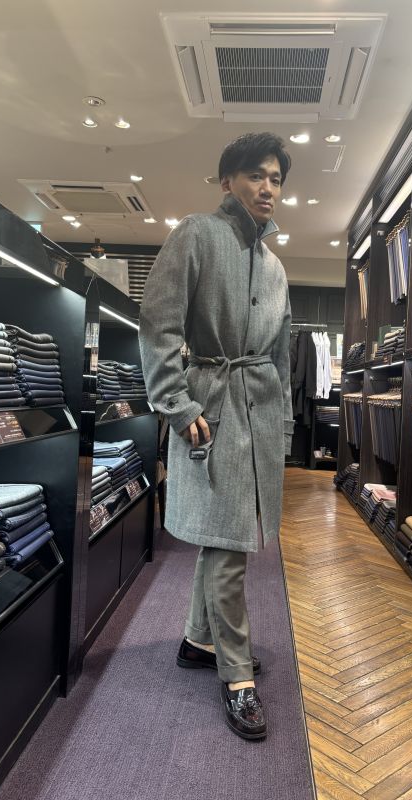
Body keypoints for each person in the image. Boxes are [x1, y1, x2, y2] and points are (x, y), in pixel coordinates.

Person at [139, 132, 294, 740]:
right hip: (213, 410)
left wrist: (282, 425)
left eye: (276, 178)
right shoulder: (197, 235)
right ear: (227, 180)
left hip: (260, 415)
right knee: (230, 544)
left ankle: (196, 641)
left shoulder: (276, 267)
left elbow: (280, 357)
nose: (267, 188)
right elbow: (159, 324)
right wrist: (176, 405)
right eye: (256, 175)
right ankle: (236, 676)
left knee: (226, 537)